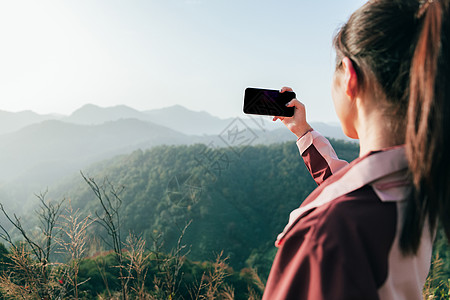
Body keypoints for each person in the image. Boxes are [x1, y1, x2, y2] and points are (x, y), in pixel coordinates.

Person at [263, 0, 450, 299]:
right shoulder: (420, 184)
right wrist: (302, 130)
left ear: (350, 76)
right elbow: (354, 182)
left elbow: (350, 196)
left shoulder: (326, 236)